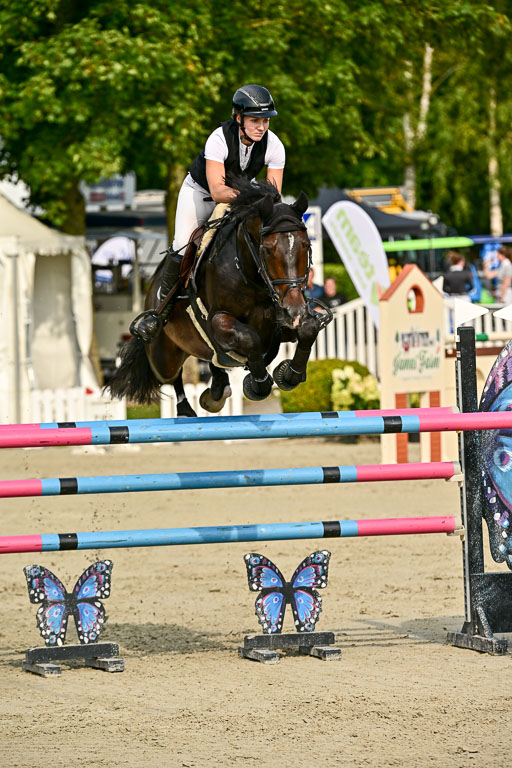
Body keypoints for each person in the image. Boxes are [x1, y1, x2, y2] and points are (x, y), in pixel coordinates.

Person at [133, 84, 286, 342]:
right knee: (183, 244)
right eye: (255, 120)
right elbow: (217, 191)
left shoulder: (274, 146)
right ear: (239, 118)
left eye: (266, 121)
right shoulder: (218, 138)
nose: (262, 126)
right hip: (200, 193)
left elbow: (274, 194)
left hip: (239, 197)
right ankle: (158, 313)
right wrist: (254, 197)